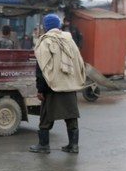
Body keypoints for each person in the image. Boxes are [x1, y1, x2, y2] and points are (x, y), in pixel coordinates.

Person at [29, 14, 86, 154]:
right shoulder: (69, 41)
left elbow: (41, 69)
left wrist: (40, 89)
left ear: (45, 26)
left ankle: (44, 145)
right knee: (71, 115)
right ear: (59, 25)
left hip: (52, 86)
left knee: (46, 116)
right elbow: (79, 63)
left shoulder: (45, 42)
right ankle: (73, 146)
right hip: (69, 84)